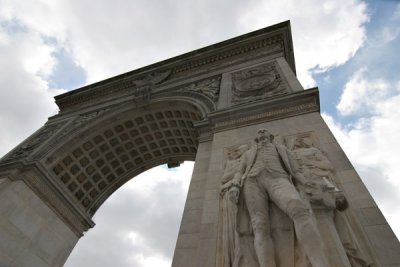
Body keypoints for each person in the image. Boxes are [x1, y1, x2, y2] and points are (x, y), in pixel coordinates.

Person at [237, 129, 329, 267]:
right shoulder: (248, 154)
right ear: (255, 139)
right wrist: (234, 186)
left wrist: (306, 182)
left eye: (264, 132)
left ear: (271, 136)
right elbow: (239, 172)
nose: (261, 132)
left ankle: (320, 263)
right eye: (259, 133)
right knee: (259, 226)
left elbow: (295, 170)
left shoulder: (282, 149)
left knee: (299, 210)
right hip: (252, 182)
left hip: (278, 178)